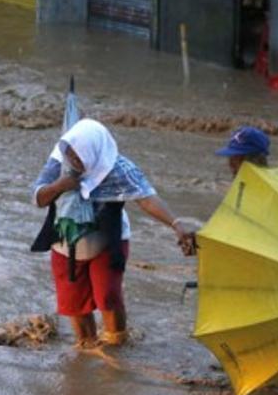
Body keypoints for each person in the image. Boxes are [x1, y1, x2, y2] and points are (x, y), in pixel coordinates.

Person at [32, 119, 193, 349]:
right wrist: (59, 186)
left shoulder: (118, 169)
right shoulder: (60, 159)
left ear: (93, 153)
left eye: (79, 158)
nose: (74, 161)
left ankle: (116, 344)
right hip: (66, 242)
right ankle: (86, 347)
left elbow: (146, 198)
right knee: (74, 303)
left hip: (107, 240)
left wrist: (176, 224)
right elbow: (37, 198)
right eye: (71, 155)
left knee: (108, 296)